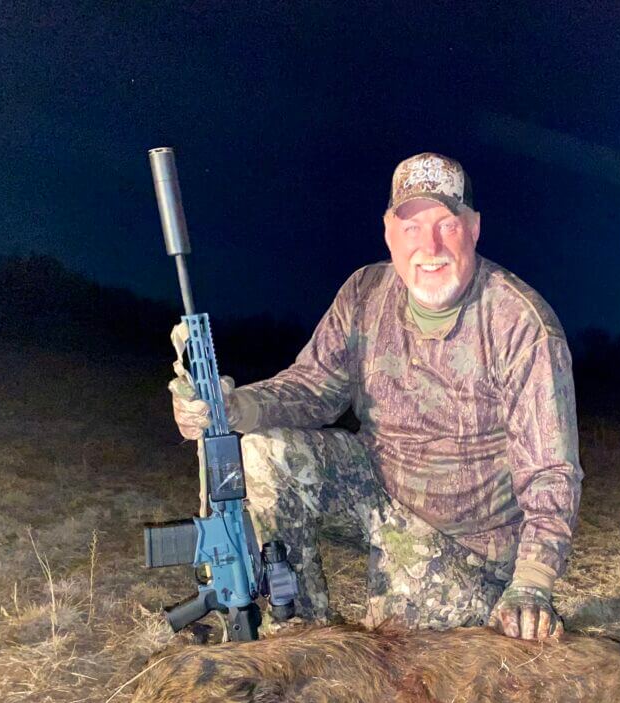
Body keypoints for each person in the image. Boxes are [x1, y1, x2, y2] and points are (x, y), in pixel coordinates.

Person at [172, 153, 582, 641]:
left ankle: (433, 598)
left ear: (473, 229)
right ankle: (300, 630)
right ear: (389, 232)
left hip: (466, 540)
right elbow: (312, 388)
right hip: (375, 488)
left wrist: (531, 587)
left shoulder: (521, 324)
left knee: (394, 654)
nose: (429, 246)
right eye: (411, 227)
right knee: (262, 452)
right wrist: (233, 408)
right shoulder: (364, 292)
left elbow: (552, 474)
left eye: (446, 224)